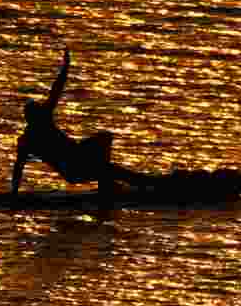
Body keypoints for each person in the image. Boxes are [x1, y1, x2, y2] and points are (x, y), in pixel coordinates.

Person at [11, 47, 160, 196]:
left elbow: (56, 90)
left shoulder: (38, 126)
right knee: (110, 169)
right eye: (38, 111)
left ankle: (112, 182)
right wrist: (13, 195)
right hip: (75, 169)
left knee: (105, 139)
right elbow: (18, 168)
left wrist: (65, 67)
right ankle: (118, 185)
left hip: (79, 155)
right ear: (32, 117)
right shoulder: (28, 139)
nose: (43, 111)